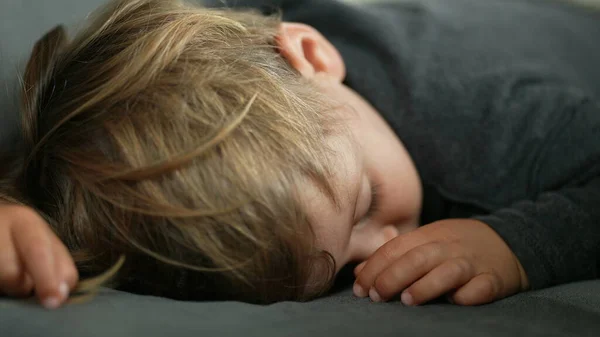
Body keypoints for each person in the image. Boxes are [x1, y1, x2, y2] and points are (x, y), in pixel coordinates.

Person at [1, 0, 599, 309]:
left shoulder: (490, 126)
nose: (387, 252)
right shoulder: (253, 67)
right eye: (341, 275)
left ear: (313, 56)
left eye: (368, 201)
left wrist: (518, 246)